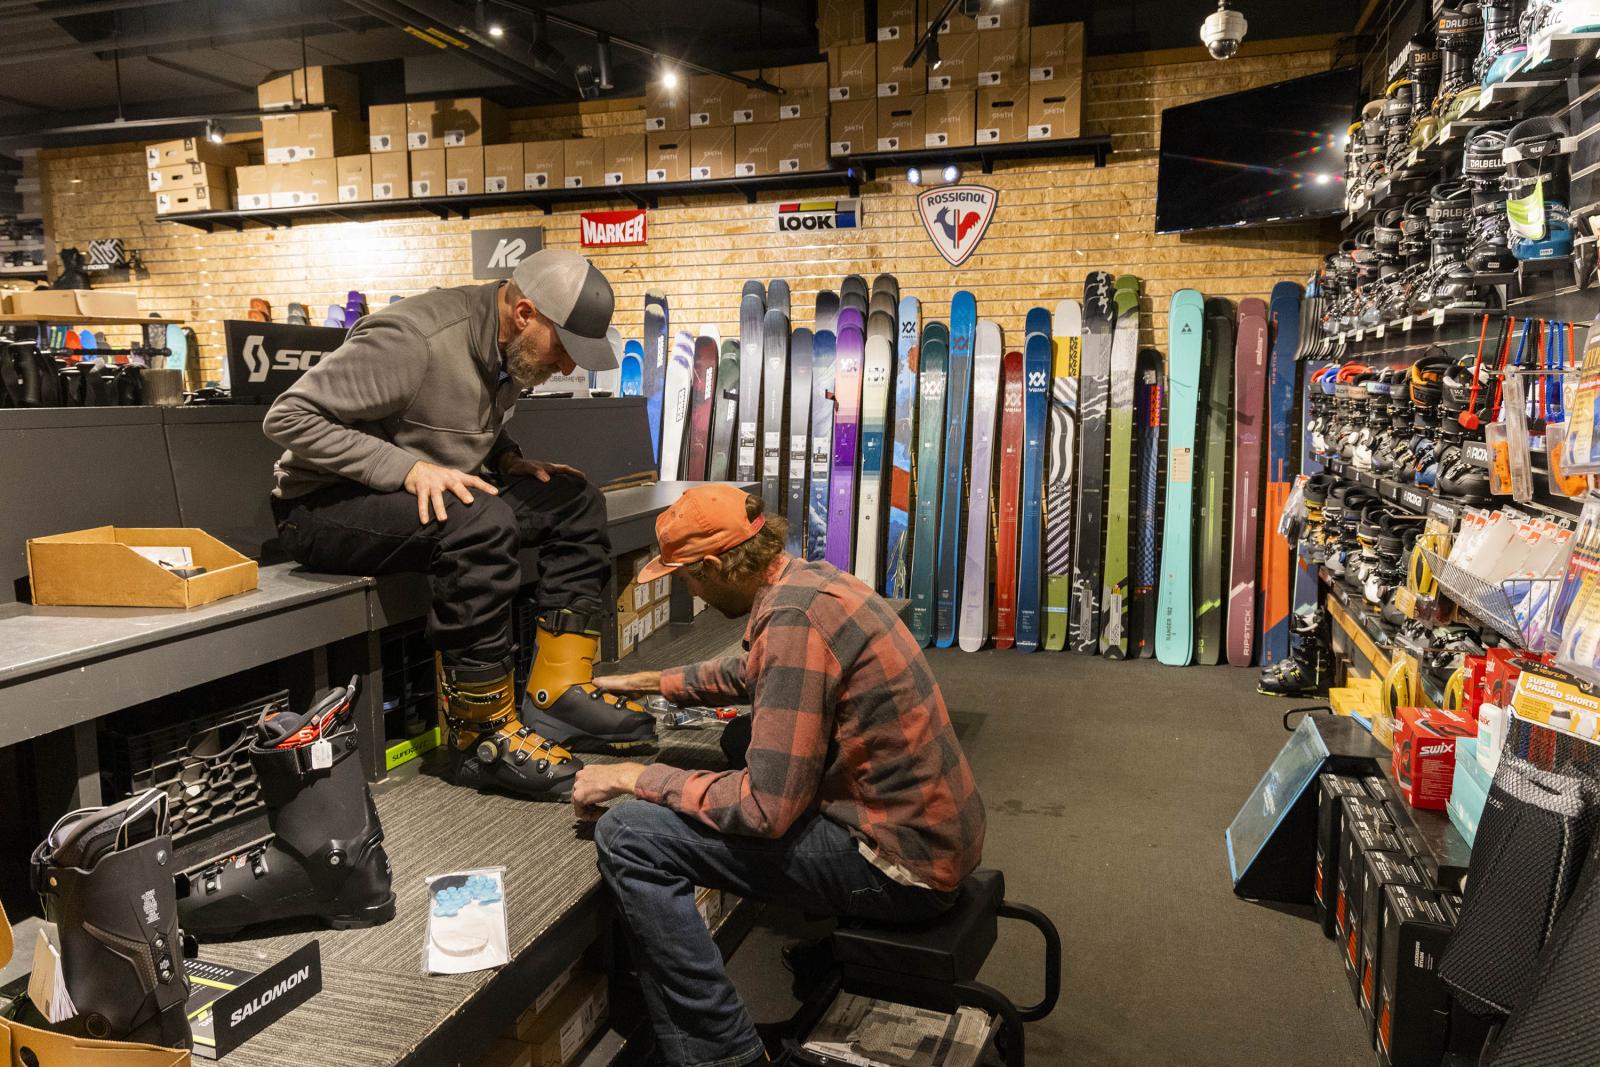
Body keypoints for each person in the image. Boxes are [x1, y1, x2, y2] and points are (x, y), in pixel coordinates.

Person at [573, 484, 986, 1067]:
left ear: (713, 566)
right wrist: (645, 682)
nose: (690, 590)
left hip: (904, 870)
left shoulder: (793, 621)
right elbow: (753, 670)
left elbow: (762, 810)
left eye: (687, 578)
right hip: (937, 834)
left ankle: (721, 1054)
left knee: (632, 834)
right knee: (742, 738)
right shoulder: (810, 583)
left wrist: (632, 776)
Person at [263, 248, 656, 802]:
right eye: (564, 349)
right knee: (479, 522)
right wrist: (407, 469)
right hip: (323, 507)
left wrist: (507, 457)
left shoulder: (508, 346)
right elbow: (288, 417)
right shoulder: (413, 340)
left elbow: (459, 418)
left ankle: (558, 695)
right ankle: (480, 738)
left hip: (418, 492)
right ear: (525, 314)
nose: (568, 367)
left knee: (575, 500)